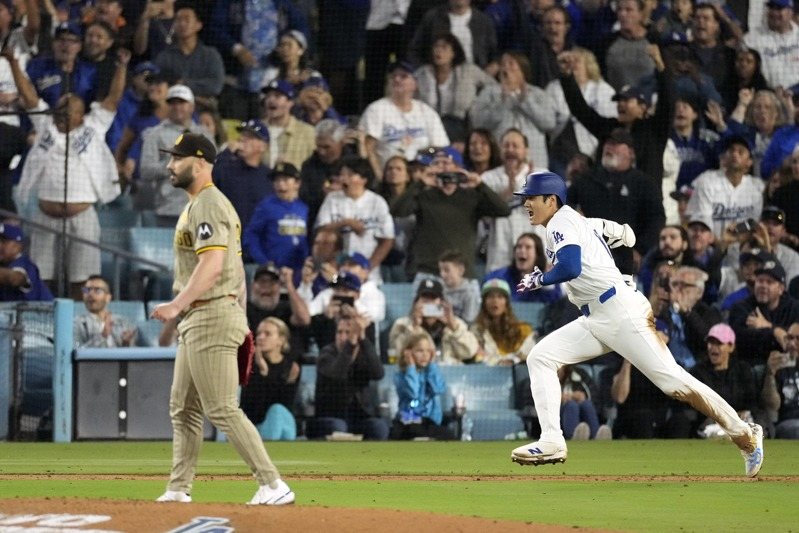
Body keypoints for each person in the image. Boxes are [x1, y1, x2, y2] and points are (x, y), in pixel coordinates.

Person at [508, 171, 764, 477]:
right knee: (541, 357)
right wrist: (623, 246)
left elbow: (572, 267)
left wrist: (541, 278)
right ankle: (552, 439)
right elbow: (625, 234)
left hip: (619, 312)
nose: (525, 204)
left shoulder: (561, 222)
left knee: (674, 382)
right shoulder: (576, 221)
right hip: (597, 315)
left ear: (551, 200)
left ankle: (745, 435)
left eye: (531, 198)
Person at [149, 133, 294, 506]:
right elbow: (238, 272)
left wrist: (177, 304)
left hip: (210, 313)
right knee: (183, 408)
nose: (170, 165)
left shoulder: (209, 204)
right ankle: (179, 488)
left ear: (199, 163)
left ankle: (273, 484)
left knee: (221, 409)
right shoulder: (198, 204)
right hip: (207, 316)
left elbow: (212, 266)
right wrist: (241, 318)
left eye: (177, 158)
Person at [9, 46, 127, 298]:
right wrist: (13, 62)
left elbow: (113, 99)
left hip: (82, 216)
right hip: (44, 214)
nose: (62, 110)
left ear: (81, 115)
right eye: (60, 106)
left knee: (81, 279)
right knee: (41, 276)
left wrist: (122, 66)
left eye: (68, 107)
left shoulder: (93, 127)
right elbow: (28, 95)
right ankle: (44, 321)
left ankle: (74, 325)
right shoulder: (44, 126)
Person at [359, 60, 450, 178]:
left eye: (403, 76)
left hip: (423, 174)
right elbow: (368, 149)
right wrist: (379, 178)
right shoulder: (376, 109)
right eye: (393, 77)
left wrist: (425, 153)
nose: (397, 80)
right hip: (389, 175)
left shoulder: (427, 111)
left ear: (415, 83)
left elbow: (440, 147)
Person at [469, 51, 556, 170]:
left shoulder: (538, 94)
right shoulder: (489, 93)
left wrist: (525, 102)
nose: (506, 67)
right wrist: (502, 103)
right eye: (503, 64)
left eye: (511, 63)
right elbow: (478, 122)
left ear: (522, 69)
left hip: (534, 160)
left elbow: (549, 123)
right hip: (499, 160)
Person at [314, 155, 394, 283]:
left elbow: (387, 240)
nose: (344, 179)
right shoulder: (332, 199)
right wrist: (346, 223)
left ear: (363, 179)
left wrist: (368, 268)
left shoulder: (377, 202)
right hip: (337, 268)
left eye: (350, 175)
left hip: (368, 272)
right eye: (342, 175)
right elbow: (321, 230)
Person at [138, 84, 211, 223]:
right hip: (169, 210)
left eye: (182, 102)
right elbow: (145, 171)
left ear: (192, 106)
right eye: (172, 103)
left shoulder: (204, 134)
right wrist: (173, 164)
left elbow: (215, 168)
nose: (177, 107)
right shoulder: (154, 134)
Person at [309, 316, 388, 440]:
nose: (343, 337)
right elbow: (338, 373)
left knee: (379, 426)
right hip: (330, 417)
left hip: (359, 417)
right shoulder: (326, 354)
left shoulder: (363, 355)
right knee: (339, 427)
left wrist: (363, 338)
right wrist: (350, 345)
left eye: (348, 332)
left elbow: (378, 373)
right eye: (339, 332)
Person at [413, 33, 497, 145]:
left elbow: (494, 87)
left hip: (462, 128)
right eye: (436, 47)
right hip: (429, 127)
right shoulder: (422, 74)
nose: (438, 51)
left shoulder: (468, 71)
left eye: (444, 47)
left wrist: (479, 103)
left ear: (454, 52)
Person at [686, 323, 760, 438]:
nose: (713, 347)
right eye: (711, 343)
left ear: (731, 347)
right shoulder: (698, 372)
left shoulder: (742, 370)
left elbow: (751, 401)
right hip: (709, 424)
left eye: (719, 343)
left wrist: (743, 413)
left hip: (740, 423)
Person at [685, 135, 764, 241]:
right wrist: (721, 245)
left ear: (749, 161)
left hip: (744, 247)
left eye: (740, 151)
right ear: (725, 157)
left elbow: (755, 224)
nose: (735, 154)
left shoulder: (757, 187)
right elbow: (702, 224)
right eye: (731, 150)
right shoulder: (707, 181)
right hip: (712, 247)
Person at [388, 278, 480, 365]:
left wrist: (453, 327)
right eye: (424, 299)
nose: (428, 303)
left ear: (442, 302)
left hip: (450, 374)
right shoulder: (402, 324)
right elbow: (398, 353)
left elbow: (470, 352)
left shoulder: (455, 323)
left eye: (433, 299)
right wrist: (414, 327)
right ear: (416, 302)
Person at [239, 317, 300, 441]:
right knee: (274, 415)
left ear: (281, 340)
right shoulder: (249, 365)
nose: (261, 337)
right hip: (255, 426)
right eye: (259, 333)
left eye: (267, 334)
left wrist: (289, 383)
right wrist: (262, 372)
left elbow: (286, 406)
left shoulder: (290, 366)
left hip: (282, 423)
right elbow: (250, 407)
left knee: (277, 411)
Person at [728, 258, 799, 364]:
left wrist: (767, 326)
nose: (763, 285)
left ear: (781, 288)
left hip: (789, 364)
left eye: (769, 282)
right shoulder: (741, 307)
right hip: (752, 365)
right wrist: (776, 332)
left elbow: (794, 338)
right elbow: (743, 338)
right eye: (760, 280)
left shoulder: (795, 307)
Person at [243, 161, 308, 272]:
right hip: (273, 271)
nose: (280, 184)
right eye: (277, 180)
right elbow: (251, 235)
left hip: (299, 271)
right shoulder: (266, 206)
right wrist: (263, 261)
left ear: (297, 183)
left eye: (285, 180)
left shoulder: (304, 208)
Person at [153, 4, 224, 105]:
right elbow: (158, 84)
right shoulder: (164, 56)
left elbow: (215, 86)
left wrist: (183, 84)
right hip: (172, 107)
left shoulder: (211, 55)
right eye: (178, 20)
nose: (182, 24)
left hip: (204, 108)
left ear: (198, 25)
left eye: (187, 20)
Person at [391, 332, 455, 441]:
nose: (425, 355)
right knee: (412, 431)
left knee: (449, 435)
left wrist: (432, 365)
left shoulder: (431, 372)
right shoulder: (401, 376)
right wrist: (411, 367)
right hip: (409, 422)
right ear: (408, 353)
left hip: (431, 423)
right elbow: (413, 394)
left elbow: (439, 389)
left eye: (428, 351)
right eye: (420, 351)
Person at [212, 119, 273, 233]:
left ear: (263, 146)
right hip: (227, 238)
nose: (242, 139)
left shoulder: (269, 177)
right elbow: (210, 179)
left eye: (250, 137)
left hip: (256, 242)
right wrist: (226, 153)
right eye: (242, 135)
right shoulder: (227, 168)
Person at [469, 278, 535, 366]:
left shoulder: (523, 330)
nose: (495, 301)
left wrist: (514, 360)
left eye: (500, 297)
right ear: (484, 303)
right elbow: (478, 356)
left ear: (507, 303)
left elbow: (529, 353)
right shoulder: (476, 331)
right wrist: (498, 362)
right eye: (490, 297)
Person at [260, 79, 316, 170]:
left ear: (290, 103)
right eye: (268, 96)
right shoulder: (257, 129)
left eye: (277, 96)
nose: (270, 100)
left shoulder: (307, 132)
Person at [73, 275, 137, 347]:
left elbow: (132, 353)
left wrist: (126, 344)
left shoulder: (123, 322)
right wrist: (102, 336)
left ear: (108, 297)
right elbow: (76, 350)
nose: (90, 294)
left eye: (97, 290)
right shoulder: (77, 324)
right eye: (86, 290)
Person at [762, 322, 799, 438]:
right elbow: (773, 405)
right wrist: (770, 374)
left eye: (798, 339)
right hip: (788, 421)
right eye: (789, 337)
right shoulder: (777, 366)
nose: (793, 343)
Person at [0, 223, 52, 302]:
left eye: (4, 241)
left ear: (18, 246)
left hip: (45, 312)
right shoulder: (4, 264)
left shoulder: (24, 263)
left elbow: (15, 278)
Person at [438, 249, 480, 324]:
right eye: (440, 270)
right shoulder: (439, 288)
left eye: (446, 270)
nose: (442, 274)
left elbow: (469, 322)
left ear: (460, 270)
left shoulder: (470, 293)